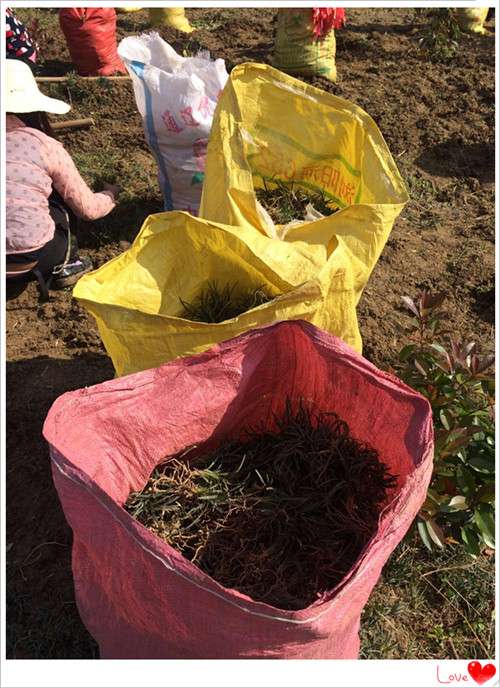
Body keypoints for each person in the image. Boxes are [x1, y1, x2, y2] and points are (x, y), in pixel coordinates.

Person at [6, 58, 120, 288]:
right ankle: (67, 264)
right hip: (31, 259)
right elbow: (88, 209)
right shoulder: (43, 145)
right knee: (60, 201)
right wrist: (110, 195)